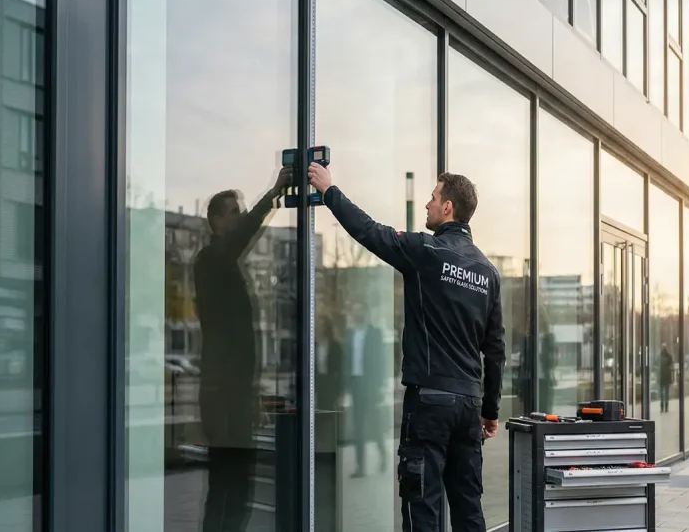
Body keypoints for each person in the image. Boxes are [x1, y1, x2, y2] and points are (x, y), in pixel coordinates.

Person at [308, 164, 504, 532]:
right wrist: (490, 410)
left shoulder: (427, 251)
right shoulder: (488, 273)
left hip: (430, 404)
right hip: (468, 407)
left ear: (448, 208)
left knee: (422, 510)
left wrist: (330, 191)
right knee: (468, 511)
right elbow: (494, 349)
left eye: (433, 197)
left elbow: (370, 232)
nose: (428, 204)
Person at [195, 169, 291, 532]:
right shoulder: (211, 260)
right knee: (229, 486)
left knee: (234, 486)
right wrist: (275, 193)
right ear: (217, 221)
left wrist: (251, 396)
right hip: (223, 398)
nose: (241, 216)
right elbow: (246, 232)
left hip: (231, 395)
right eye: (234, 211)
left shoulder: (225, 265)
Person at [346, 302, 387, 477]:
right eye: (355, 311)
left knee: (373, 424)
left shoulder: (375, 333)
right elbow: (346, 360)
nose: (358, 314)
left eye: (360, 310)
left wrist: (379, 385)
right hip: (356, 383)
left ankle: (383, 452)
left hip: (370, 385)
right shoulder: (350, 333)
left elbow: (381, 361)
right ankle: (360, 466)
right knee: (358, 427)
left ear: (365, 313)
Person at [659, 344, 674, 413]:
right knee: (666, 393)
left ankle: (662, 406)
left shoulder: (659, 357)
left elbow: (657, 367)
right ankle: (666, 406)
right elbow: (671, 367)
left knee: (662, 393)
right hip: (666, 377)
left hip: (662, 377)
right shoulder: (669, 357)